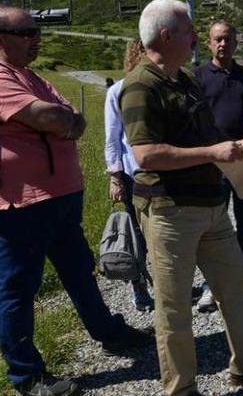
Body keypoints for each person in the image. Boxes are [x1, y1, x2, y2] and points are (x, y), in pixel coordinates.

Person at [0, 6, 151, 396]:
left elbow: (73, 119)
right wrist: (64, 119)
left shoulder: (27, 76)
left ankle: (108, 333)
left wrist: (66, 119)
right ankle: (26, 375)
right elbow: (56, 117)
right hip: (18, 203)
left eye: (36, 30)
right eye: (26, 32)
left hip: (56, 196)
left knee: (79, 270)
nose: (36, 38)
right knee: (18, 286)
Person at [121, 0, 243, 394]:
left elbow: (204, 135)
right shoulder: (141, 84)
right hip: (169, 211)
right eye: (189, 31)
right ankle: (181, 389)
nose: (196, 38)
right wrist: (213, 153)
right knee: (175, 307)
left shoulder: (185, 79)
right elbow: (145, 153)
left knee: (237, 288)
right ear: (166, 36)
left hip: (211, 206)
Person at [193, 20, 243, 309]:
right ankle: (212, 284)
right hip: (214, 165)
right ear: (209, 43)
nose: (223, 44)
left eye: (228, 39)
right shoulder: (198, 77)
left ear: (236, 42)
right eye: (217, 39)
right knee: (212, 227)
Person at [104, 38, 154, 312]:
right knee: (137, 235)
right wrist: (115, 176)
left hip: (163, 172)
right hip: (134, 175)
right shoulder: (117, 92)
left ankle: (166, 283)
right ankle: (140, 288)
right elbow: (112, 138)